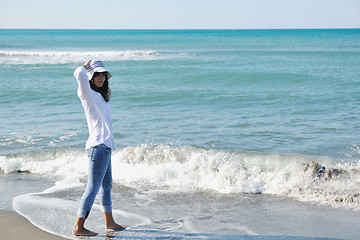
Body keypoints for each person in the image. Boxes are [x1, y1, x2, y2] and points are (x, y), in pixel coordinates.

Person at [72, 60, 126, 236]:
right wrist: (85, 66)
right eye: (97, 75)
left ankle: (109, 223)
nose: (101, 78)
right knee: (93, 187)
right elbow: (78, 74)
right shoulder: (86, 93)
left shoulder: (102, 97)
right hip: (97, 146)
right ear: (91, 77)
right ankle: (78, 226)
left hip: (106, 146)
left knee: (107, 186)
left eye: (103, 75)